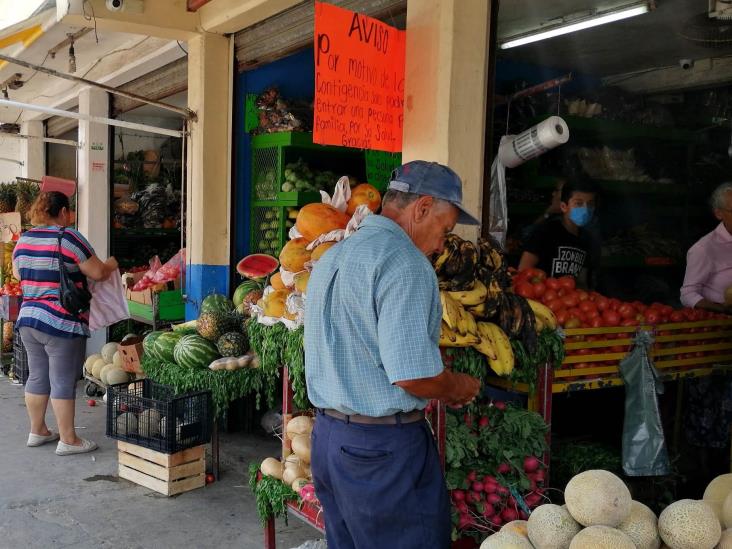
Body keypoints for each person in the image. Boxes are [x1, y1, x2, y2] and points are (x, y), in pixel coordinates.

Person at [304, 160, 482, 548]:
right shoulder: (405, 263)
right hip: (380, 452)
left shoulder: (333, 256)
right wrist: (456, 387)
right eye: (444, 230)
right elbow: (412, 375)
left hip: (329, 441)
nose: (440, 245)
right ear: (421, 208)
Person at [12, 191, 118, 456]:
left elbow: (17, 273)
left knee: (37, 375)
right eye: (69, 212)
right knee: (61, 380)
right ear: (62, 212)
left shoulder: (23, 240)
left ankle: (38, 431)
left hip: (29, 319)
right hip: (61, 321)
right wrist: (111, 264)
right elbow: (97, 272)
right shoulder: (68, 237)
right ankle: (68, 440)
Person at [518, 179, 598, 284]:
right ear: (564, 206)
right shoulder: (545, 232)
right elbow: (522, 272)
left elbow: (581, 284)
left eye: (590, 204)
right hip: (540, 297)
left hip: (568, 299)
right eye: (578, 203)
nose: (585, 209)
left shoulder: (586, 240)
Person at [680, 182, 732, 313]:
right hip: (724, 323)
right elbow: (688, 295)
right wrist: (722, 309)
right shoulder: (704, 248)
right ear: (719, 214)